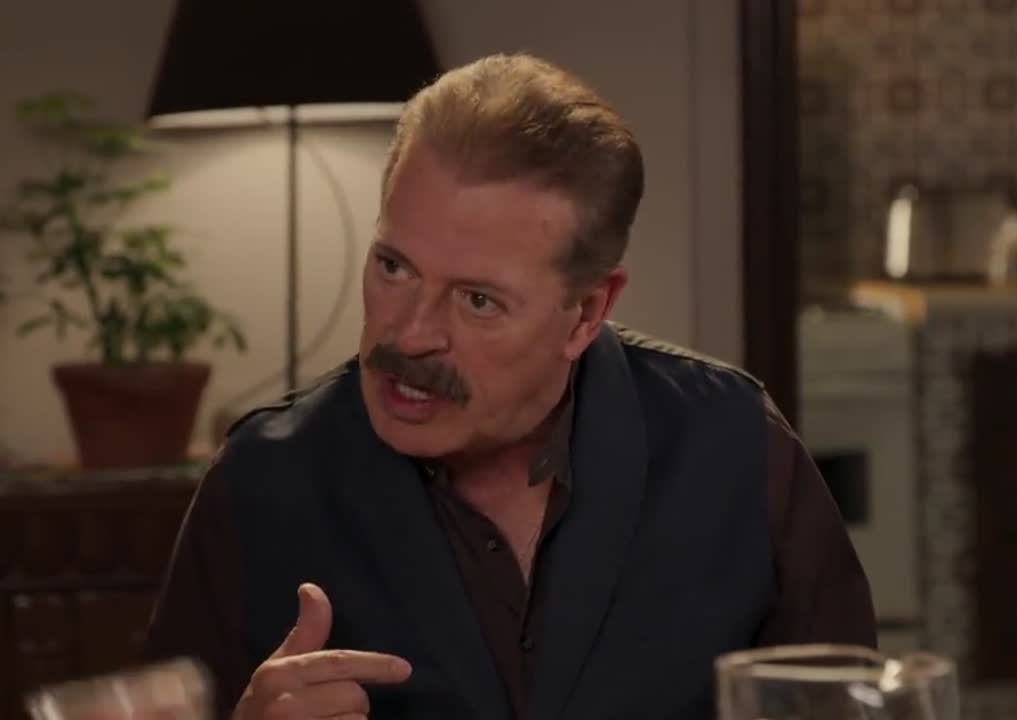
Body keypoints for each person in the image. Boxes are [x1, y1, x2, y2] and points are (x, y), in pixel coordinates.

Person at [144, 52, 875, 720]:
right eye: (394, 267)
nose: (410, 335)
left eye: (478, 300)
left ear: (586, 312)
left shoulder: (736, 450)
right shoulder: (261, 484)